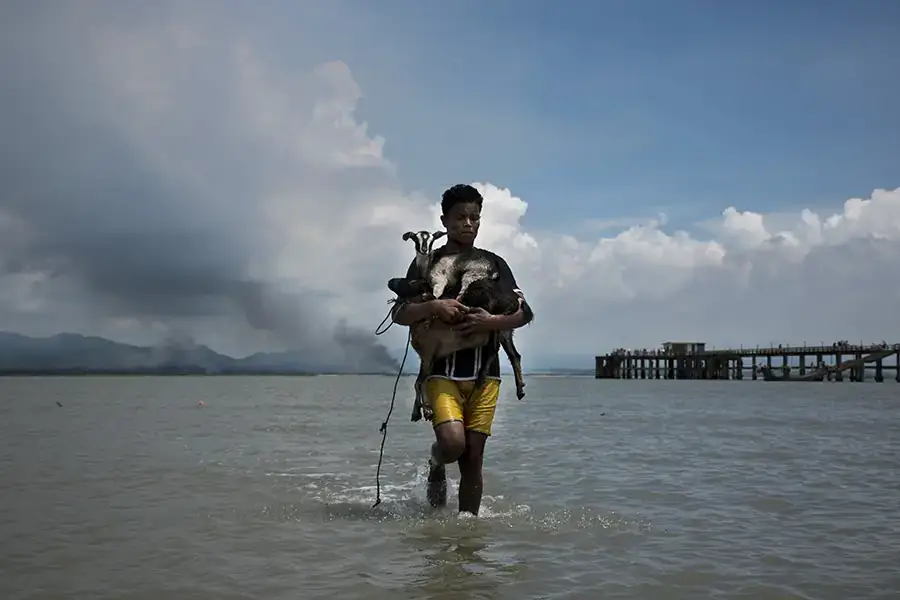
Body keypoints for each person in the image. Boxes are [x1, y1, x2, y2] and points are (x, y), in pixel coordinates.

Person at [391, 183, 533, 515]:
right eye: (459, 218)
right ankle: (436, 460)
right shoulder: (427, 264)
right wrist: (433, 307)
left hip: (486, 375)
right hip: (441, 370)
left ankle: (467, 542)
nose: (467, 224)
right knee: (453, 445)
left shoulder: (494, 264)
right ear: (444, 221)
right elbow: (400, 313)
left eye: (474, 217)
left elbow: (525, 313)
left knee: (473, 459)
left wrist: (492, 323)